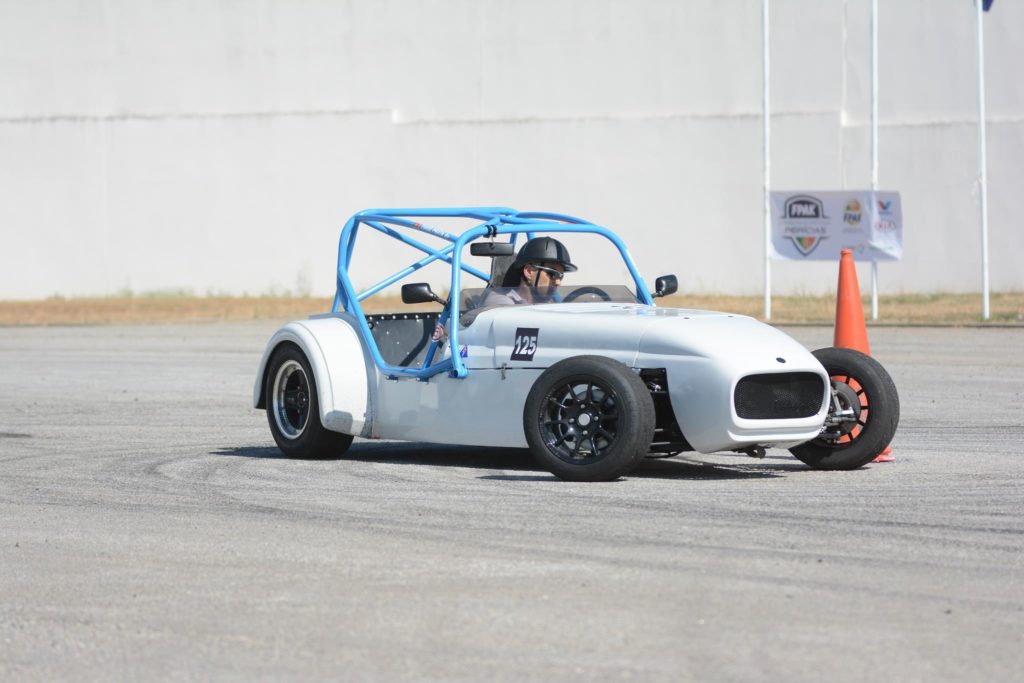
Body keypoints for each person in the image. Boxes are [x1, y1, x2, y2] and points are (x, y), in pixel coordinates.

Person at [482, 236, 578, 306]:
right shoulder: (501, 302)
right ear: (528, 271)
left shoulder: (550, 306)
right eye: (552, 273)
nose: (558, 282)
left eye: (561, 276)